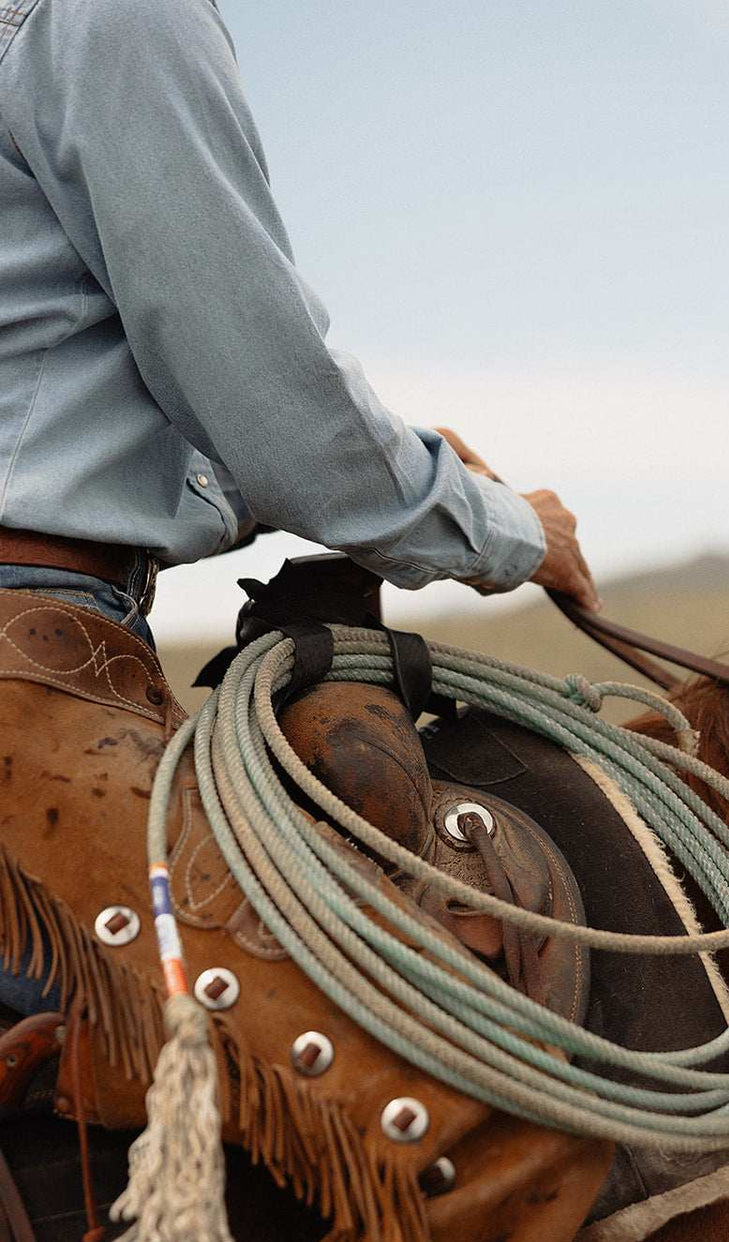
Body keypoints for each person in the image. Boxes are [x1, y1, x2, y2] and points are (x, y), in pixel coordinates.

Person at [0, 0, 598, 1014]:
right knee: (392, 1052)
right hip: (33, 656)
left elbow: (53, 435)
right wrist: (511, 531)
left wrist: (312, 482)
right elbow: (281, 413)